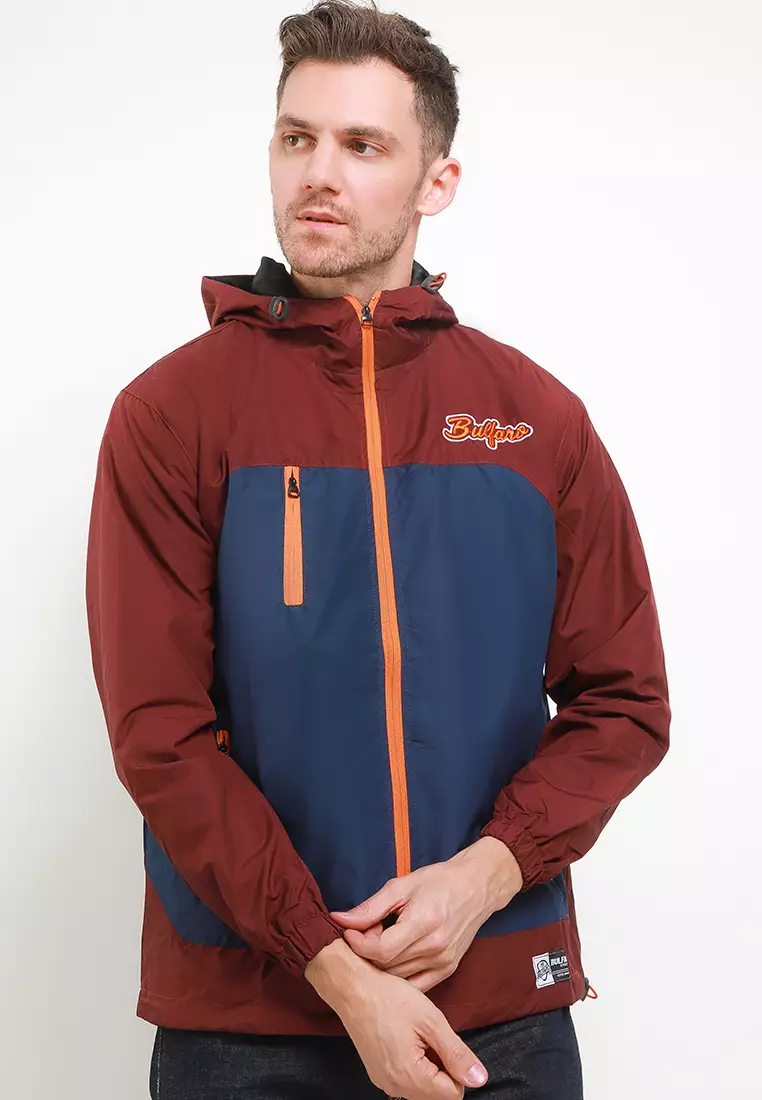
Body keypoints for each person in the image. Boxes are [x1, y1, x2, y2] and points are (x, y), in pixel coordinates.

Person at [84, 2, 671, 1097]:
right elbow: (159, 734)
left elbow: (626, 702)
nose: (319, 173)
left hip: (500, 1008)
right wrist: (336, 968)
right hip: (250, 1022)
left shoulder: (535, 420)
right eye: (296, 137)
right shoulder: (172, 415)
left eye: (363, 145)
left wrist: (486, 875)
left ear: (435, 182)